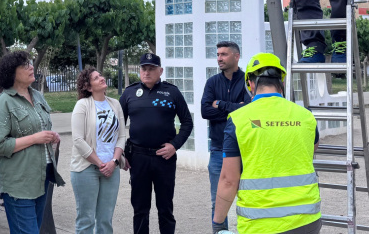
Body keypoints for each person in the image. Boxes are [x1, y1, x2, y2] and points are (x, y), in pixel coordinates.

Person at [212, 53, 321, 234]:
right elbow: (310, 149)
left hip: (261, 224)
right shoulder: (306, 116)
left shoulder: (239, 120)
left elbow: (229, 181)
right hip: (308, 219)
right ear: (282, 82)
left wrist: (218, 223)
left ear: (250, 84)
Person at [0, 51, 65, 234]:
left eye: (30, 63)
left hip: (41, 176)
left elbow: (40, 126)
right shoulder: (4, 102)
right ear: (12, 73)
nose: (31, 67)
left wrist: (51, 136)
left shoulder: (37, 95)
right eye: (25, 65)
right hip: (19, 183)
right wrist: (35, 138)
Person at [119, 53, 193, 234]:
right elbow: (118, 126)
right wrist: (121, 154)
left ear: (160, 71)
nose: (147, 72)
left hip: (164, 158)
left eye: (151, 69)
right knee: (140, 209)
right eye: (144, 68)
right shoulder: (129, 93)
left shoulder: (172, 92)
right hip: (138, 158)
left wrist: (174, 145)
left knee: (165, 208)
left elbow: (187, 122)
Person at [70, 67, 128, 234]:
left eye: (100, 75)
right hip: (86, 169)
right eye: (96, 78)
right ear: (88, 87)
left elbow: (121, 136)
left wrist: (114, 162)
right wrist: (101, 163)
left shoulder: (115, 104)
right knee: (86, 220)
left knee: (105, 220)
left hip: (111, 169)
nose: (101, 78)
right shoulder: (82, 105)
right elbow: (78, 140)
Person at [201, 41, 251, 232]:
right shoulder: (212, 82)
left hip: (247, 149)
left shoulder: (248, 81)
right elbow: (205, 111)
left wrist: (220, 104)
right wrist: (236, 108)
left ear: (236, 56)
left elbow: (250, 111)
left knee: (250, 198)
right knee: (219, 201)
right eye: (218, 54)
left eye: (224, 54)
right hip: (218, 149)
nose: (219, 58)